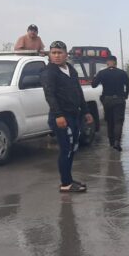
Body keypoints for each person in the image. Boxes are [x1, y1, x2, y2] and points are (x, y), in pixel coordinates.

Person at [41, 41, 94, 193]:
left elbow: (78, 91)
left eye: (60, 53)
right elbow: (49, 95)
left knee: (73, 148)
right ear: (50, 55)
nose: (56, 56)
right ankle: (65, 184)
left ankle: (68, 179)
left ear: (66, 54)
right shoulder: (49, 72)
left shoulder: (70, 69)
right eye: (53, 53)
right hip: (61, 117)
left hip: (74, 115)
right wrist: (58, 115)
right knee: (66, 149)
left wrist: (86, 111)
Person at [91, 55, 129, 151]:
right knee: (118, 122)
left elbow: (93, 85)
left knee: (110, 121)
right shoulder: (122, 73)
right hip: (119, 100)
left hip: (107, 101)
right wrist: (125, 95)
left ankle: (111, 143)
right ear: (116, 63)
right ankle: (117, 142)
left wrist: (95, 77)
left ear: (107, 63)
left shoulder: (102, 73)